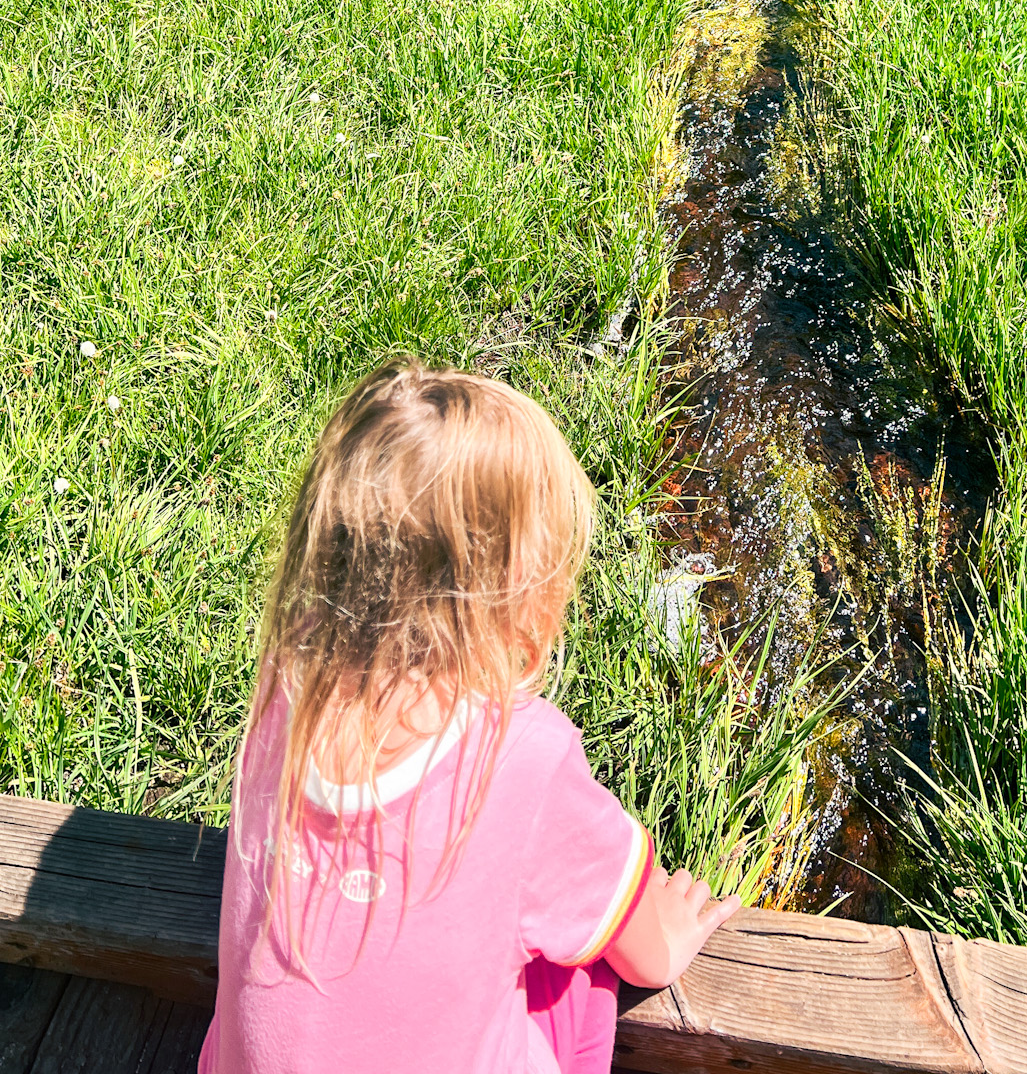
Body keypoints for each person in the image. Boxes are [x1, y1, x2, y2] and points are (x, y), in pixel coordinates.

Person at [200, 358, 740, 1074]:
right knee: (580, 978)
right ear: (521, 602)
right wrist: (669, 935)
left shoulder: (287, 675)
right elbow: (646, 952)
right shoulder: (523, 758)